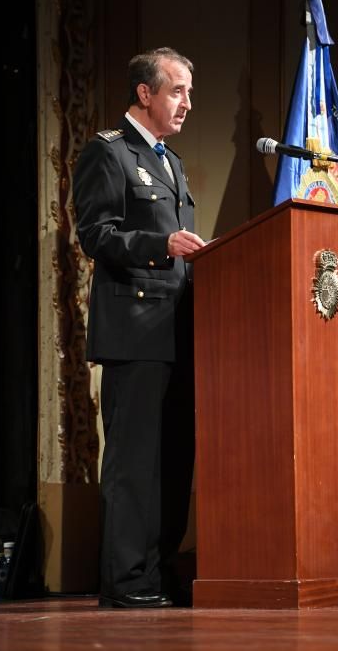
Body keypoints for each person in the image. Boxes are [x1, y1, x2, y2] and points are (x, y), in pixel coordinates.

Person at [73, 47, 206, 609]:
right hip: (135, 331)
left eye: (190, 93)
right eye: (177, 91)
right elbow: (94, 235)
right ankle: (127, 583)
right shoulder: (109, 153)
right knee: (134, 467)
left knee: (174, 463)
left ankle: (157, 573)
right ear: (145, 93)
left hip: (177, 333)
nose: (187, 104)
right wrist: (161, 245)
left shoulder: (170, 162)